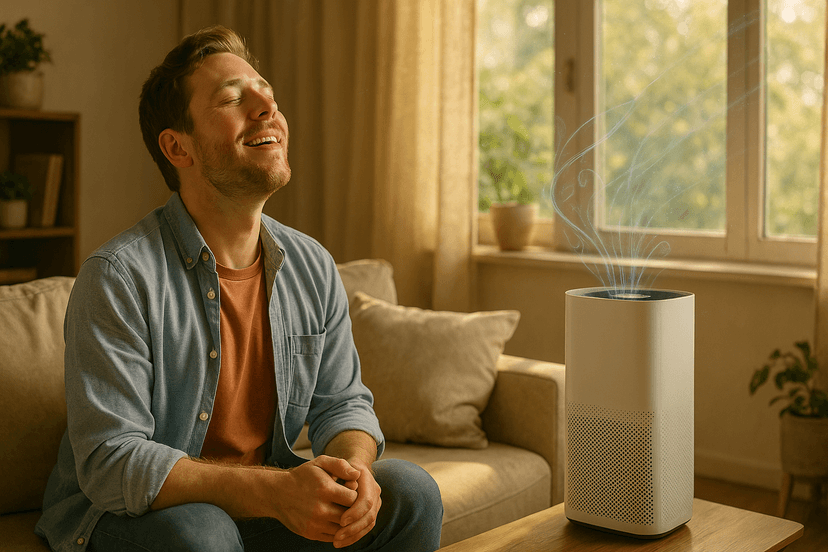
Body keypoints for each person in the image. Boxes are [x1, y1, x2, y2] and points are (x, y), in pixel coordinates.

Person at [35, 25, 443, 552]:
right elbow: (112, 461)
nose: (267, 108)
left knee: (410, 491)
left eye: (267, 94)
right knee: (203, 532)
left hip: (259, 507)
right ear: (177, 147)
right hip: (131, 516)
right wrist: (276, 492)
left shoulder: (312, 265)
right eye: (233, 99)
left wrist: (353, 474)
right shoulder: (118, 277)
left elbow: (343, 405)